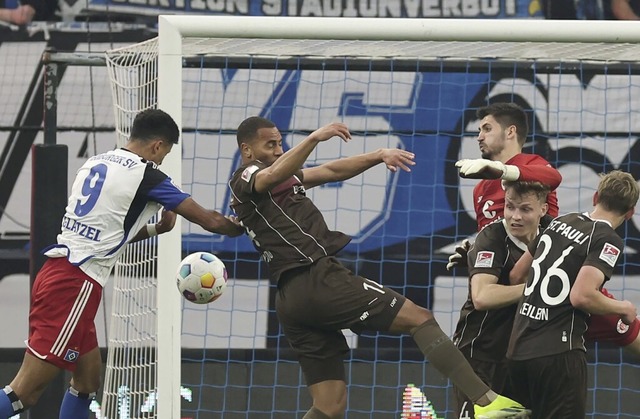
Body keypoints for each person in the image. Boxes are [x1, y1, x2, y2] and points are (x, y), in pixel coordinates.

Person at [228, 116, 530, 419]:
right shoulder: (248, 175)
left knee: (328, 405)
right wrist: (315, 137)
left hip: (293, 297)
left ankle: (485, 401)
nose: (278, 151)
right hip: (315, 278)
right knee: (419, 317)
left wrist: (378, 155)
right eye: (270, 145)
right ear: (247, 150)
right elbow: (271, 174)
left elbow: (331, 170)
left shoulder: (280, 179)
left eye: (280, 144)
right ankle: (485, 401)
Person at [0, 109, 243, 418]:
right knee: (24, 393)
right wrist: (245, 225)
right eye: (165, 153)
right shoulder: (148, 175)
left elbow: (110, 230)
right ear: (157, 146)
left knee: (87, 381)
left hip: (59, 270)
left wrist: (157, 228)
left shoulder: (96, 162)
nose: (162, 160)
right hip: (75, 285)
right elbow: (211, 220)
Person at [450, 102, 640, 353]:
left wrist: (502, 170)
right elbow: (496, 240)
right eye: (479, 130)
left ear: (510, 132)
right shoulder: (480, 188)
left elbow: (554, 178)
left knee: (628, 330)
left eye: (487, 128)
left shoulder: (536, 166)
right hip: (516, 290)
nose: (479, 136)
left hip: (555, 279)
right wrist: (475, 255)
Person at [506, 170, 639, 418]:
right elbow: (582, 296)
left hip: (517, 350)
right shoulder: (607, 239)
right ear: (630, 212)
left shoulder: (561, 221)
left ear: (595, 197)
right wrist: (623, 308)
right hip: (558, 356)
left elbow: (516, 275)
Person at [453, 181, 550, 419]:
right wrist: (535, 288)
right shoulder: (491, 237)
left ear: (543, 210)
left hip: (522, 357)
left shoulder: (553, 234)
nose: (514, 217)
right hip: (480, 355)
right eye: (509, 207)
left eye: (525, 209)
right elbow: (482, 296)